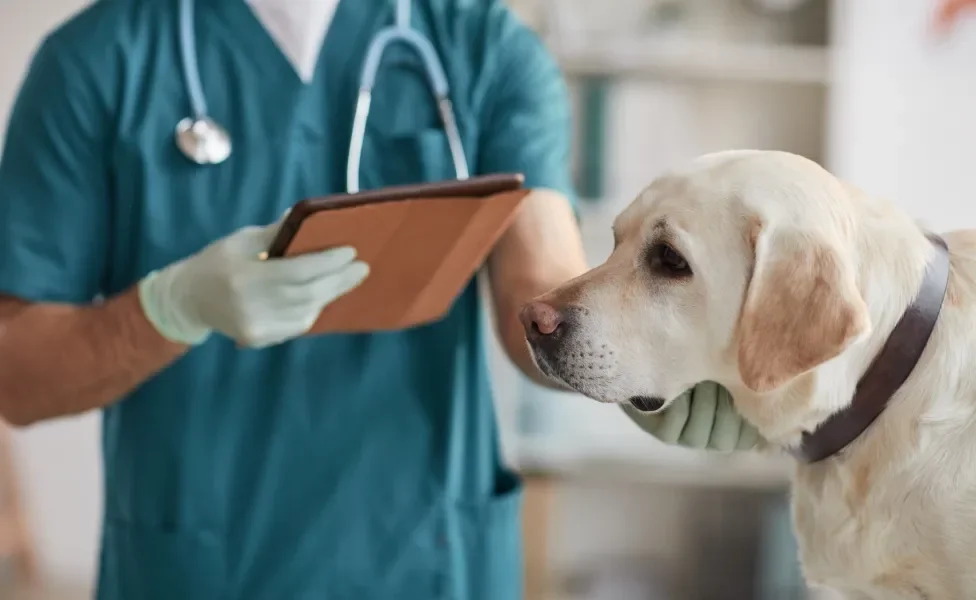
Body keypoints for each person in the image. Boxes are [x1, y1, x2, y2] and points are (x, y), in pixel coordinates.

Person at [0, 0, 596, 598]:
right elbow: (16, 374)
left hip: (428, 562)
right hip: (201, 571)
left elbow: (541, 290)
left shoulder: (484, 48)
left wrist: (639, 362)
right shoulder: (95, 62)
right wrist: (169, 309)